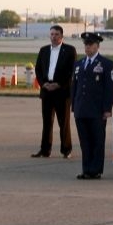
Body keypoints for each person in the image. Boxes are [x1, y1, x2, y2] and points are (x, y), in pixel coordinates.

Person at [70, 32, 113, 180]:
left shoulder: (106, 64)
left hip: (97, 110)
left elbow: (110, 88)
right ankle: (86, 169)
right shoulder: (79, 64)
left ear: (97, 46)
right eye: (86, 44)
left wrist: (107, 109)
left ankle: (95, 170)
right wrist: (74, 105)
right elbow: (74, 86)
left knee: (97, 141)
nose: (87, 47)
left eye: (90, 44)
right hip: (81, 109)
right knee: (85, 142)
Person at [32, 25, 77, 158]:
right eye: (52, 34)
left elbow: (71, 71)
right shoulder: (44, 50)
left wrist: (58, 84)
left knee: (63, 123)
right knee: (47, 122)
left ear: (62, 36)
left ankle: (66, 150)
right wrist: (44, 84)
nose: (54, 37)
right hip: (46, 90)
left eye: (56, 34)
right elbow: (38, 69)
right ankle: (45, 150)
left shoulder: (69, 50)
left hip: (62, 92)